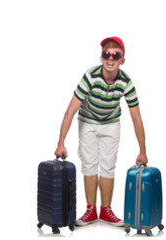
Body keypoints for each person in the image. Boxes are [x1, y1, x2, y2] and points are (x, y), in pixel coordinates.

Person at [53, 36, 146, 227]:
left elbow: (136, 117)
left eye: (115, 55)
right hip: (88, 121)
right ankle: (90, 211)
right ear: (101, 57)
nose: (110, 58)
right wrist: (61, 142)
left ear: (122, 60)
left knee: (108, 165)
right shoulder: (91, 76)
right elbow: (70, 110)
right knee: (89, 163)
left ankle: (105, 211)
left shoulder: (126, 82)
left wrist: (142, 150)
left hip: (111, 122)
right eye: (106, 54)